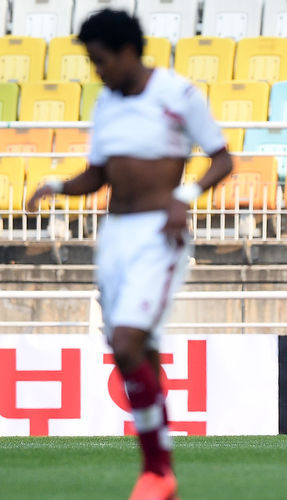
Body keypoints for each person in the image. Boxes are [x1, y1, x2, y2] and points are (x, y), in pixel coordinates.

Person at [27, 9, 233, 499]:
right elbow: (98, 175)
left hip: (157, 235)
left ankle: (157, 470)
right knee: (137, 352)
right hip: (115, 237)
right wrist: (56, 186)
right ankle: (162, 474)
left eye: (101, 60)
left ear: (126, 52)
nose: (97, 71)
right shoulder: (106, 103)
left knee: (125, 344)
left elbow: (222, 158)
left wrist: (185, 198)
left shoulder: (178, 95)